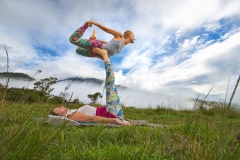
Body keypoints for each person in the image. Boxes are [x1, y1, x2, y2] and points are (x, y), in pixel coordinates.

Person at [49, 50, 130, 126]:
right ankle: (105, 56)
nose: (62, 106)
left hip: (111, 111)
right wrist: (114, 120)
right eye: (59, 109)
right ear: (59, 115)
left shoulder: (71, 112)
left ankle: (104, 57)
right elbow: (91, 118)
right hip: (111, 114)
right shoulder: (71, 115)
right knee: (110, 83)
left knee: (111, 84)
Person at [69, 19, 135, 60]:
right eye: (133, 36)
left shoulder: (121, 47)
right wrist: (93, 22)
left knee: (78, 50)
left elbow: (108, 46)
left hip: (95, 54)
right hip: (97, 46)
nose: (134, 38)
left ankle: (93, 38)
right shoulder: (120, 36)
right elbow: (106, 29)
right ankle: (86, 25)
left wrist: (102, 57)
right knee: (73, 39)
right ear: (129, 35)